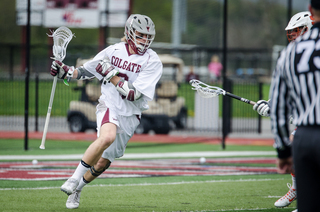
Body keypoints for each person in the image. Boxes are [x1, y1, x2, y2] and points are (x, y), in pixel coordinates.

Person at [50, 14, 162, 209]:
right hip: (109, 103)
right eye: (140, 35)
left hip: (131, 114)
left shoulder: (153, 61)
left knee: (102, 163)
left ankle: (78, 189)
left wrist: (111, 74)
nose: (144, 40)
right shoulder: (114, 50)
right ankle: (73, 179)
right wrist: (65, 72)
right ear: (129, 32)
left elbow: (133, 95)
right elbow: (85, 71)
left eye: (147, 36)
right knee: (107, 137)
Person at [253, 11, 314, 212]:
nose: (294, 36)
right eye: (293, 32)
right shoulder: (292, 55)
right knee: (297, 144)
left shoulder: (293, 55)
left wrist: (278, 109)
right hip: (309, 126)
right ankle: (299, 191)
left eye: (297, 31)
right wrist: (271, 105)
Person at [268, 1, 320, 211]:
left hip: (304, 139)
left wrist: (282, 151)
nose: (293, 36)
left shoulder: (290, 53)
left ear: (310, 10)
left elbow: (280, 105)